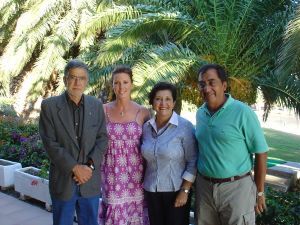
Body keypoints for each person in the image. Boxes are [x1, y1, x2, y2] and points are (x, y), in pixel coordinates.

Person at [194, 64, 268, 225]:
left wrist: (260, 192)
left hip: (237, 189)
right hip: (204, 189)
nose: (206, 88)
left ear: (224, 85)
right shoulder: (200, 113)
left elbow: (261, 152)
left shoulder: (243, 112)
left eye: (212, 82)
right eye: (202, 84)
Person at [39, 59, 108, 225]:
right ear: (65, 80)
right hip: (63, 181)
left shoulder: (96, 105)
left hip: (89, 182)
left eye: (82, 78)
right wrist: (75, 168)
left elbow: (102, 139)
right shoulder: (49, 106)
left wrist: (89, 167)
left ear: (87, 81)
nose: (77, 82)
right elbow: (50, 143)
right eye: (73, 77)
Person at [98, 65, 150, 225]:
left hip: (136, 173)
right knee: (114, 210)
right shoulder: (103, 109)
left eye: (125, 82)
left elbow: (150, 143)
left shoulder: (143, 112)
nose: (121, 87)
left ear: (131, 84)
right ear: (112, 85)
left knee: (136, 213)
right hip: (111, 171)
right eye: (117, 82)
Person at [141, 82, 198, 225]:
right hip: (151, 190)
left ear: (173, 103)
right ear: (152, 102)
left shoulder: (185, 127)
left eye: (167, 99)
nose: (163, 103)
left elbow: (193, 160)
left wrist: (185, 191)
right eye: (158, 99)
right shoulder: (146, 127)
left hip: (176, 192)